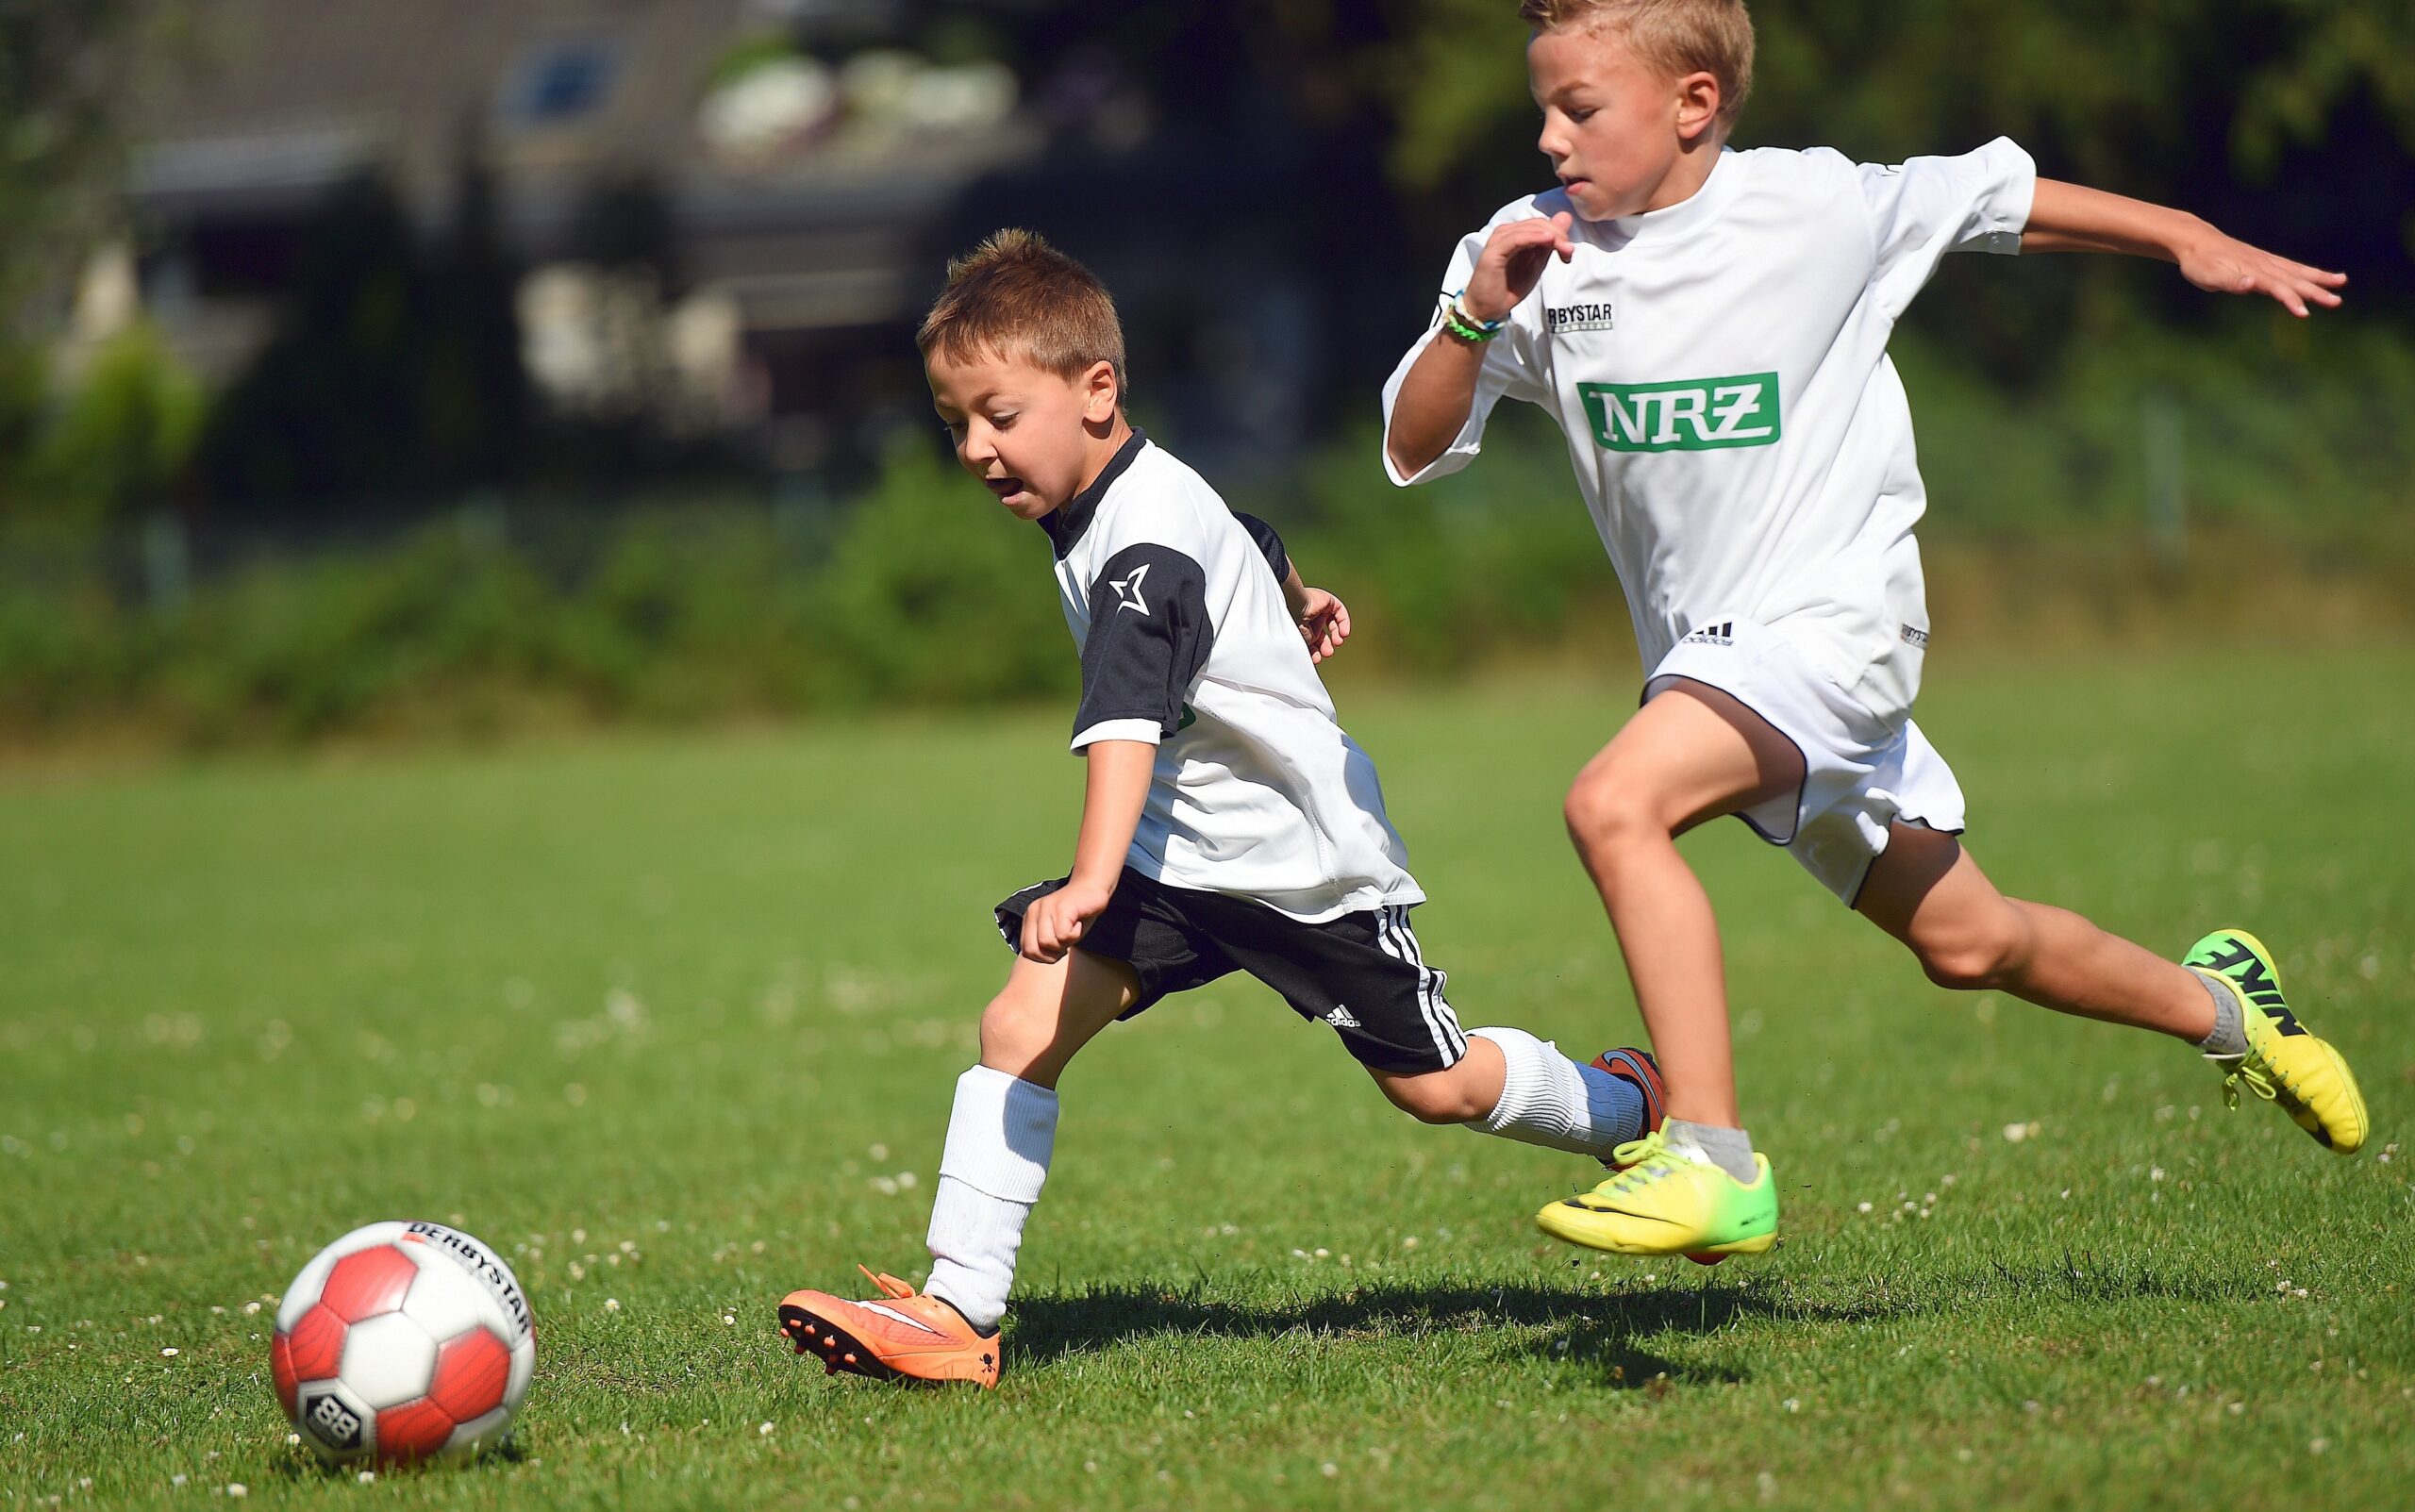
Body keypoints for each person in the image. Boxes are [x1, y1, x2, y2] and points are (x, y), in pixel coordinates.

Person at [1378, 0, 2369, 1261]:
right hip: (1718, 668)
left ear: (1693, 103)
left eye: (1581, 107)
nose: (1549, 134)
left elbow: (2000, 199)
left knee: (1612, 802)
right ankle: (2232, 1008)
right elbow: (1412, 445)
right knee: (1972, 942)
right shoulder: (1526, 248)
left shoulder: (1814, 208)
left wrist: (2186, 235)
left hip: (1835, 629)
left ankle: (1713, 1158)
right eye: (1543, 108)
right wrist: (1474, 311)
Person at [777, 229, 1671, 1387]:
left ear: (1097, 391)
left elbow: (1124, 731)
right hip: (1173, 863)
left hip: (1295, 863)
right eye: (957, 423)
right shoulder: (1130, 488)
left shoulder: (1138, 555)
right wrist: (1291, 592)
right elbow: (1241, 529)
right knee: (1019, 1026)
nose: (975, 447)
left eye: (998, 414)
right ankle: (957, 1312)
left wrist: (1088, 883)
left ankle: (1630, 1103)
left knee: (1436, 1086)